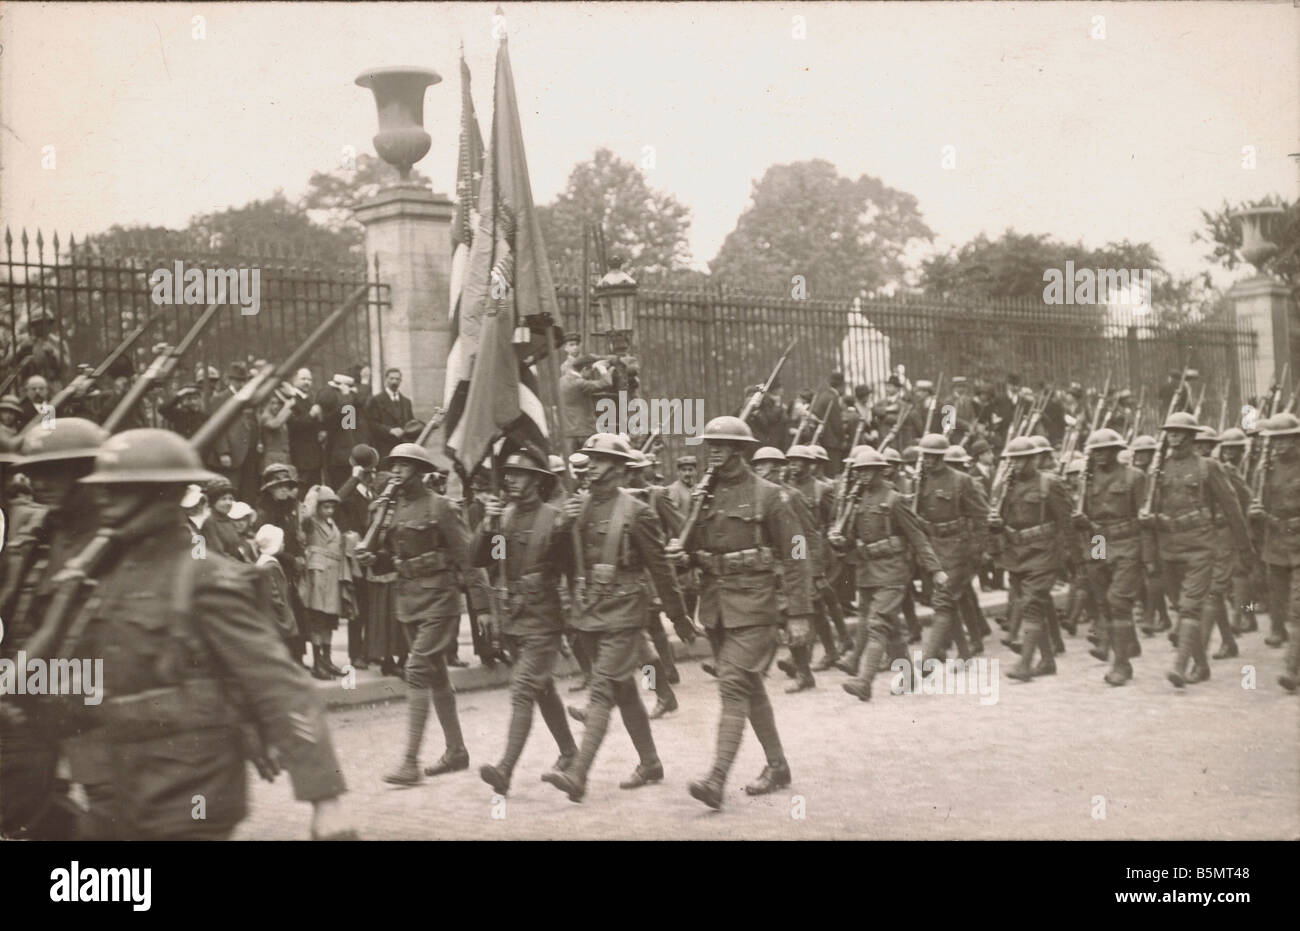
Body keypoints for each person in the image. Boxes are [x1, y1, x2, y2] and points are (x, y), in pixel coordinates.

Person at [69, 428, 354, 839]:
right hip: (122, 785)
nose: (108, 505)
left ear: (163, 499)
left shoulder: (209, 581)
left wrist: (325, 800)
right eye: (106, 492)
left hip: (191, 791)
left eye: (123, 492)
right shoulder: (110, 579)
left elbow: (280, 685)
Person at [665, 416, 812, 811]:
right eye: (709, 444)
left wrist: (798, 612)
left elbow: (797, 552)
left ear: (740, 451)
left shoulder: (770, 496)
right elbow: (694, 547)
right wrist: (682, 554)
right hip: (716, 607)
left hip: (756, 607)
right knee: (750, 688)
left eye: (721, 445)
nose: (712, 451)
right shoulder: (704, 497)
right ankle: (778, 765)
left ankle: (716, 778)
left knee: (732, 684)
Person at [541, 434, 693, 803]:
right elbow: (553, 563)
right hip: (589, 614)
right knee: (625, 690)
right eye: (590, 458)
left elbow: (660, 568)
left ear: (620, 468)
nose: (590, 464)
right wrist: (562, 526)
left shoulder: (638, 511)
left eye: (600, 459)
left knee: (603, 688)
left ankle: (579, 774)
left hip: (625, 612)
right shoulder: (578, 507)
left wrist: (679, 615)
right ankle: (650, 762)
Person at [0, 417, 107, 840]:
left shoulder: (113, 535)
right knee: (23, 796)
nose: (38, 481)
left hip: (91, 688)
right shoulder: (44, 529)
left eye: (54, 471)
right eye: (36, 470)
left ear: (85, 472)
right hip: (39, 683)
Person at [472, 450, 579, 796]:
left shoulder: (555, 518)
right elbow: (483, 559)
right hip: (514, 620)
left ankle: (505, 769)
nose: (511, 479)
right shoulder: (504, 518)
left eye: (519, 474)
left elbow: (571, 567)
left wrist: (570, 530)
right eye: (509, 474)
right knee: (542, 687)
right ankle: (570, 751)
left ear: (537, 480)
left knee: (522, 688)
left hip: (545, 620)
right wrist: (487, 527)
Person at [369, 443, 472, 785]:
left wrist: (483, 609)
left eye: (404, 465)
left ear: (419, 471)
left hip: (440, 600)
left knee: (415, 669)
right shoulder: (392, 509)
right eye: (394, 465)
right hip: (409, 599)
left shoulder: (441, 507)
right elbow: (392, 557)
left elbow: (466, 557)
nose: (396, 471)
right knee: (436, 674)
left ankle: (410, 763)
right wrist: (375, 560)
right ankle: (456, 750)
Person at [1138, 412, 1252, 688]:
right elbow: (1149, 511)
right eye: (1170, 432)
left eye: (1178, 432)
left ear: (1190, 436)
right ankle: (1201, 665)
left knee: (1190, 608)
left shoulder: (1208, 467)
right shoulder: (1158, 470)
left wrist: (1245, 548)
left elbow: (1233, 506)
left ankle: (1179, 666)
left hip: (1201, 545)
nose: (1173, 436)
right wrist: (1148, 536)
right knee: (1180, 606)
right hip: (1169, 548)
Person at [829, 446, 944, 699]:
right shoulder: (856, 501)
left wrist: (935, 570)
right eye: (859, 471)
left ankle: (864, 681)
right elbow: (850, 539)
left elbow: (918, 537)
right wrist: (839, 540)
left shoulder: (894, 499)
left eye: (868, 470)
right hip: (867, 571)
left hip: (893, 571)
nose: (862, 475)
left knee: (877, 625)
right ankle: (910, 677)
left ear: (880, 471)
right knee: (889, 627)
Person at [989, 435, 1078, 681]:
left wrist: (1081, 559)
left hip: (1043, 553)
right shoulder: (1007, 487)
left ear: (1033, 459)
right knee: (1031, 604)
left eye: (1022, 460)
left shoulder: (1049, 484)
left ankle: (1025, 664)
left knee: (1032, 605)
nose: (1017, 465)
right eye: (1013, 461)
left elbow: (1067, 522)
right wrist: (996, 525)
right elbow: (1001, 520)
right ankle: (1047, 660)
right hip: (1016, 554)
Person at [1072, 428, 1148, 686]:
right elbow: (1084, 516)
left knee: (1118, 600)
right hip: (1098, 540)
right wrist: (1080, 521)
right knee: (1104, 601)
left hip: (1126, 541)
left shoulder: (1134, 477)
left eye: (1105, 450)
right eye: (1095, 451)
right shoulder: (1086, 481)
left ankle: (1121, 664)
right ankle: (1128, 643)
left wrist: (1147, 555)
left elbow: (1144, 517)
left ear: (1117, 451)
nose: (1100, 455)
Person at [914, 433, 989, 665]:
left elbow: (981, 516)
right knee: (953, 600)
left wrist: (977, 551)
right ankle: (966, 652)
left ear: (942, 457)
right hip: (934, 548)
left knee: (943, 601)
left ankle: (928, 660)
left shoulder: (961, 480)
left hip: (958, 547)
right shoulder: (920, 482)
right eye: (925, 456)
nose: (928, 460)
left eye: (933, 456)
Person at [1249, 413, 1300, 691]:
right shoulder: (1264, 470)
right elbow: (1257, 507)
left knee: (1298, 608)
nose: (1280, 445)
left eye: (1285, 439)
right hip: (1276, 545)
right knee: (1277, 603)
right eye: (1275, 440)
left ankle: (1292, 670)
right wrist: (1255, 514)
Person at [298, 485, 352, 681]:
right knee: (317, 620)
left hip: (332, 576)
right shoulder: (311, 522)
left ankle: (327, 659)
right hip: (317, 576)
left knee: (330, 620)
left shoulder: (332, 524)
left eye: (331, 507)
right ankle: (317, 662)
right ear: (318, 507)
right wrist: (313, 495)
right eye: (325, 507)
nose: (329, 511)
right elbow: (304, 516)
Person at [254, 523, 299, 657]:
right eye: (282, 541)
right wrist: (284, 611)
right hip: (277, 617)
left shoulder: (262, 562)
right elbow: (277, 593)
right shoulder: (271, 566)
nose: (284, 544)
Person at [559, 354, 612, 454]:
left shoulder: (561, 381)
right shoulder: (579, 383)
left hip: (568, 432)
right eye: (590, 371)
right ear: (584, 369)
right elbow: (606, 383)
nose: (590, 375)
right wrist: (602, 369)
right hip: (585, 431)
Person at [364, 367, 415, 460]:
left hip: (402, 448)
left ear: (401, 381)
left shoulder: (406, 402)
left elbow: (411, 422)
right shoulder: (376, 400)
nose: (394, 382)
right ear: (386, 380)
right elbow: (371, 424)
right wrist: (390, 430)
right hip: (384, 448)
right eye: (391, 378)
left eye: (397, 379)